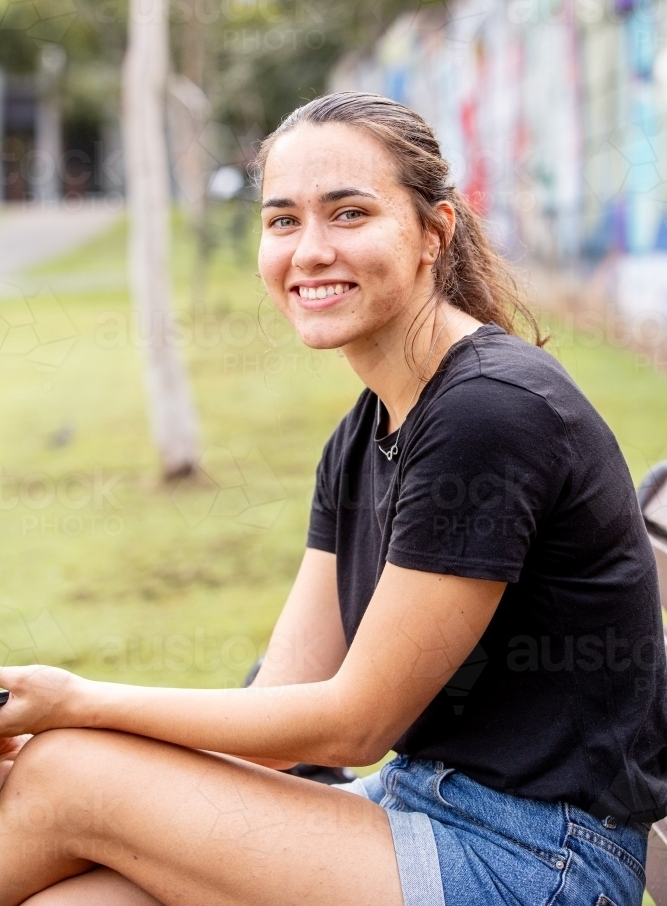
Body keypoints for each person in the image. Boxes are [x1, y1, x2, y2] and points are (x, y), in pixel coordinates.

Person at [0, 91, 665, 906]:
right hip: (423, 816)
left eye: (348, 214)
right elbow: (281, 706)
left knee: (70, 776)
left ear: (434, 232)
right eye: (282, 221)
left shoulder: (488, 412)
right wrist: (55, 721)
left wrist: (80, 708)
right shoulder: (366, 430)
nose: (309, 250)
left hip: (537, 862)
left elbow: (355, 726)